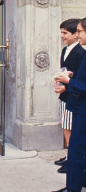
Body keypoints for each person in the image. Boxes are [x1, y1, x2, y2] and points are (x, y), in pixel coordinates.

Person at [53, 18, 86, 192]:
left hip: (82, 109)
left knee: (76, 150)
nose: (78, 35)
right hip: (79, 107)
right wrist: (71, 77)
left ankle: (73, 188)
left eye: (80, 31)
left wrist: (68, 82)